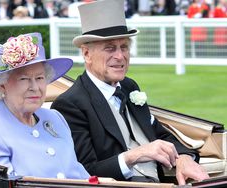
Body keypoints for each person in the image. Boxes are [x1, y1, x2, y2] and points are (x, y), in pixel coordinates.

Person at [51, 0, 209, 185]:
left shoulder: (129, 87)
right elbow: (85, 172)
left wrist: (183, 158)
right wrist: (136, 155)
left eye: (124, 47)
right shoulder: (71, 104)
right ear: (86, 54)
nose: (120, 56)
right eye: (110, 48)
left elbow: (160, 134)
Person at [0, 32, 90, 179]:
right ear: (2, 84)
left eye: (39, 78)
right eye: (24, 79)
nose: (35, 87)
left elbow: (78, 174)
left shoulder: (55, 118)